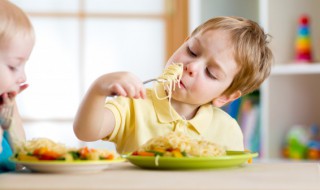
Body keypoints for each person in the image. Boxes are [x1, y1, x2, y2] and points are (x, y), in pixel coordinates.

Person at [73, 16, 273, 154]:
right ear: (185, 42)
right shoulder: (134, 105)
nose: (192, 66)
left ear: (225, 96)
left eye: (210, 73)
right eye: (192, 51)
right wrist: (99, 89)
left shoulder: (227, 129)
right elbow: (86, 131)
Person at [0, 0, 35, 172]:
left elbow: (21, 161)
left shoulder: (7, 107)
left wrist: (10, 122)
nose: (23, 77)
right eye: (13, 66)